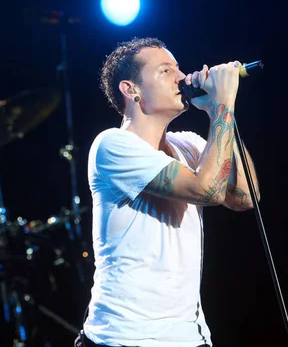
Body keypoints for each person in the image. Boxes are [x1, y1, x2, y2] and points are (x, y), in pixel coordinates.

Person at [78, 37, 260, 347]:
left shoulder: (188, 144)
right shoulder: (112, 145)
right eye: (165, 71)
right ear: (130, 89)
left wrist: (222, 113)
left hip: (190, 337)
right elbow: (209, 191)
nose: (180, 77)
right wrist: (221, 108)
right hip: (124, 338)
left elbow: (244, 196)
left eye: (178, 68)